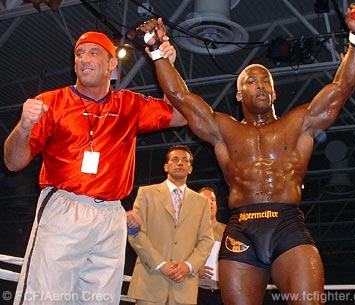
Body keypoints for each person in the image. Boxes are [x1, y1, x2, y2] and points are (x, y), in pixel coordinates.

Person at [136, 3, 355, 305]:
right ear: (239, 94)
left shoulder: (299, 123)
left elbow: (342, 86)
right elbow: (181, 97)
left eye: (266, 81)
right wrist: (156, 50)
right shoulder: (223, 129)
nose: (260, 85)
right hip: (241, 229)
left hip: (288, 226)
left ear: (275, 93)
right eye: (251, 81)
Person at [3, 30, 186, 305]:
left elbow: (184, 114)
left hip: (112, 215)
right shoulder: (51, 103)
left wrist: (166, 65)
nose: (84, 59)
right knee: (44, 298)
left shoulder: (129, 105)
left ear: (112, 64)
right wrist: (24, 126)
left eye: (93, 52)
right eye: (79, 54)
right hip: (64, 209)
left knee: (99, 301)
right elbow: (13, 162)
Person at [127, 144, 214, 305]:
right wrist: (161, 264)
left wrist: (188, 266)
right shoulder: (146, 193)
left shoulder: (202, 203)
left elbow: (206, 240)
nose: (180, 163)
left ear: (190, 169)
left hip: (184, 286)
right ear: (166, 166)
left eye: (185, 160)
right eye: (175, 159)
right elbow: (136, 233)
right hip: (150, 281)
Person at [197, 187, 226, 305]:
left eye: (213, 200)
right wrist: (193, 269)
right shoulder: (187, 231)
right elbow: (177, 257)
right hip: (196, 291)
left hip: (221, 292)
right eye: (205, 200)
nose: (210, 203)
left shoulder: (228, 231)